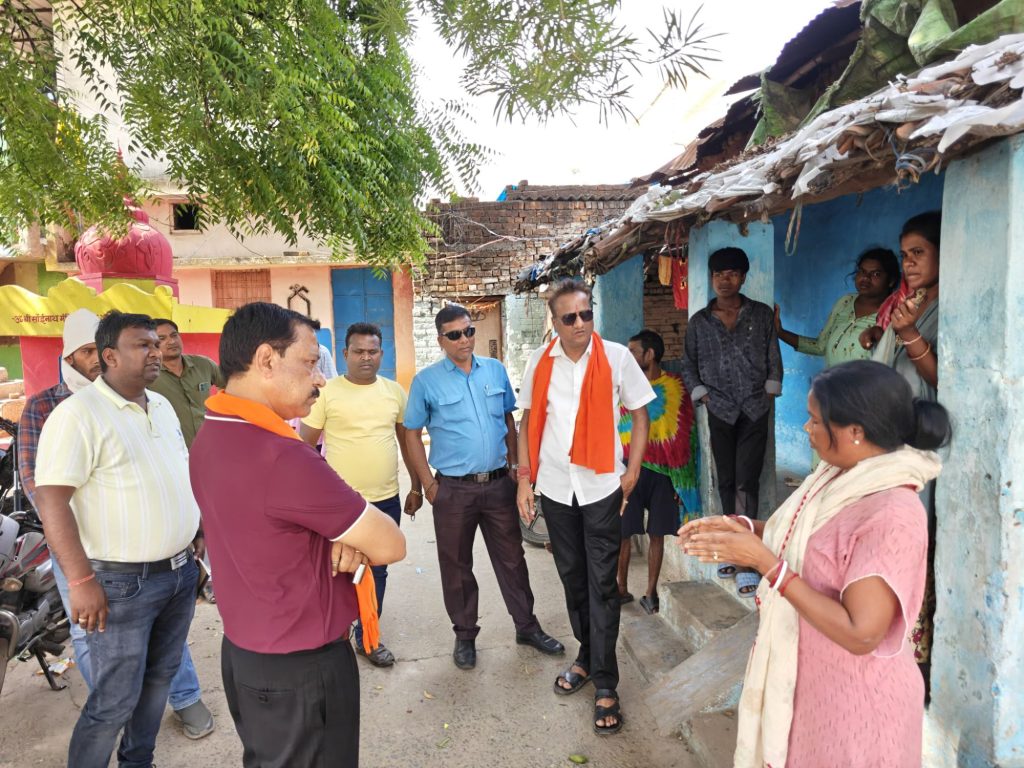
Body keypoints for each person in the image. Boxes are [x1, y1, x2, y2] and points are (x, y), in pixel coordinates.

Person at [678, 360, 950, 768]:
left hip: (857, 711)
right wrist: (744, 528)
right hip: (810, 693)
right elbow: (809, 539)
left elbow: (861, 633)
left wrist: (767, 565)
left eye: (816, 420)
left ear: (855, 432)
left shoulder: (891, 511)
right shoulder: (837, 476)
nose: (806, 428)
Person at [189, 302, 406, 768]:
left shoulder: (212, 433)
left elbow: (270, 526)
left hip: (247, 654)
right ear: (266, 360)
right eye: (309, 363)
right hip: (302, 668)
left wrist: (335, 535)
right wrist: (346, 536)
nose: (320, 378)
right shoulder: (282, 457)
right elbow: (390, 543)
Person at [18, 310, 214, 741]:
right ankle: (116, 708)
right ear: (71, 357)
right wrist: (80, 567)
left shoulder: (149, 401)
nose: (96, 358)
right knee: (90, 633)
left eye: (99, 349)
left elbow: (173, 468)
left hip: (155, 557)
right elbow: (39, 487)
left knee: (164, 635)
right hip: (83, 549)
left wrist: (188, 526)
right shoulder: (50, 407)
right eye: (87, 351)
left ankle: (183, 699)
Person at [516, 280, 655, 736]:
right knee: (572, 578)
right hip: (556, 487)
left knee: (602, 584)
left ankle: (606, 682)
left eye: (586, 314)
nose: (580, 323)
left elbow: (640, 412)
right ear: (554, 323)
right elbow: (527, 422)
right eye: (569, 317)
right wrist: (524, 479)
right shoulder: (539, 362)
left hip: (601, 486)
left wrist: (632, 470)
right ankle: (586, 654)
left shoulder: (615, 357)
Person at [404, 304, 563, 671]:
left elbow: (509, 420)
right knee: (456, 565)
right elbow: (412, 433)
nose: (465, 339)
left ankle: (527, 626)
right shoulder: (426, 382)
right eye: (455, 335)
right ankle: (464, 635)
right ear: (441, 340)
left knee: (512, 559)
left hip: (497, 485)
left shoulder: (494, 370)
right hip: (453, 490)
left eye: (469, 331)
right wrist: (428, 484)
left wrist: (516, 469)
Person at [300, 321, 422, 667]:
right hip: (339, 505)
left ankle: (368, 637)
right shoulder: (327, 393)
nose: (366, 357)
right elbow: (304, 449)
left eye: (372, 351)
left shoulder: (394, 392)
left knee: (377, 570)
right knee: (335, 568)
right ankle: (333, 633)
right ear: (345, 354)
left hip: (385, 500)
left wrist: (415, 486)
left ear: (381, 353)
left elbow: (407, 442)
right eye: (358, 351)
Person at [862, 210, 943, 684]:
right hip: (893, 438)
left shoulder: (948, 303)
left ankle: (916, 652)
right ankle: (886, 634)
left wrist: (909, 334)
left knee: (915, 535)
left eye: (918, 253)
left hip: (925, 441)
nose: (909, 263)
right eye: (904, 255)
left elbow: (944, 376)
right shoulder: (909, 301)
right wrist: (885, 335)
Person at [681, 247, 782, 597]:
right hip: (719, 408)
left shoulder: (760, 314)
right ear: (712, 278)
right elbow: (688, 363)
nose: (725, 280)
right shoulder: (699, 322)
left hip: (755, 407)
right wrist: (704, 395)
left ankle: (746, 563)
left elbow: (773, 355)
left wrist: (769, 393)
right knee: (726, 480)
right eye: (719, 274)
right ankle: (729, 548)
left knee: (746, 481)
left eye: (732, 274)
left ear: (743, 277)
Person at [615, 328, 699, 615]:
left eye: (632, 352)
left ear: (649, 355)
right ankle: (620, 588)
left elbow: (686, 437)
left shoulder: (675, 388)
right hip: (629, 470)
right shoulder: (624, 388)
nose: (627, 357)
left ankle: (650, 593)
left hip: (663, 475)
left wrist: (682, 481)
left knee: (657, 534)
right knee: (623, 532)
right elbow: (617, 427)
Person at [775, 247, 900, 367]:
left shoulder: (894, 314)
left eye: (876, 274)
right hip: (833, 381)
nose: (865, 278)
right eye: (862, 271)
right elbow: (820, 346)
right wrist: (780, 332)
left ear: (891, 281)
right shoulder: (845, 302)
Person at [150, 318, 226, 449]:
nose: (171, 341)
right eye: (162, 338)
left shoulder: (203, 364)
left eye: (174, 335)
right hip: (171, 450)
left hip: (210, 445)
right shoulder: (148, 375)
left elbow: (231, 387)